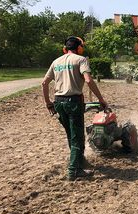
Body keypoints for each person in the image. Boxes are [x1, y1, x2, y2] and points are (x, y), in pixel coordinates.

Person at [42, 36, 109, 181]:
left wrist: (48, 103)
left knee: (70, 135)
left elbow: (44, 83)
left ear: (65, 48)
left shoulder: (56, 61)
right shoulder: (81, 60)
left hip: (58, 102)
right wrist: (101, 99)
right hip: (74, 102)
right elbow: (88, 80)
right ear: (79, 48)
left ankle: (79, 161)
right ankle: (74, 171)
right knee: (77, 137)